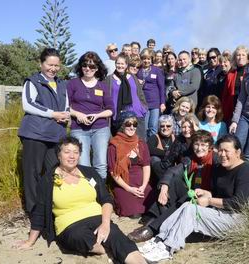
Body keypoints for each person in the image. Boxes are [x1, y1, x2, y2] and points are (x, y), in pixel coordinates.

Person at [14, 137, 146, 264]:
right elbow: (39, 212)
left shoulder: (89, 173)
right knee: (82, 238)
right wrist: (30, 241)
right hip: (70, 225)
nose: (72, 156)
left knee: (118, 239)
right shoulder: (48, 179)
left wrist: (105, 224)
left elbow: (106, 199)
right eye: (67, 152)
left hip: (97, 218)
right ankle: (106, 250)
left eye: (76, 152)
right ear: (58, 155)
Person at [140, 134, 249, 262]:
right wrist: (207, 193)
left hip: (239, 219)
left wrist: (209, 200)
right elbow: (220, 193)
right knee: (187, 206)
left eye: (227, 151)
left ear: (238, 152)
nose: (223, 154)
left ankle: (168, 247)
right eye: (221, 150)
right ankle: (160, 239)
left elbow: (240, 203)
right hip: (221, 213)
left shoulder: (245, 170)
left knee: (192, 210)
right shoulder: (221, 169)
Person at [128, 129, 215, 243]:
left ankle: (152, 227)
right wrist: (164, 186)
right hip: (193, 194)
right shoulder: (191, 159)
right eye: (196, 144)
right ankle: (156, 218)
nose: (199, 148)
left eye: (203, 145)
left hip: (207, 200)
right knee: (172, 182)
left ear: (210, 147)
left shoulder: (215, 160)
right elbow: (173, 171)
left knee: (187, 197)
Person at [18, 48, 70, 214]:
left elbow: (67, 105)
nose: (53, 68)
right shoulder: (32, 81)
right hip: (35, 134)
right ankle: (34, 212)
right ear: (41, 64)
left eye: (56, 65)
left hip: (56, 135)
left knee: (54, 172)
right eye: (50, 64)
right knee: (32, 173)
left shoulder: (62, 84)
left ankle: (51, 208)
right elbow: (28, 104)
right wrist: (53, 114)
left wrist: (65, 115)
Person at [67, 51, 113, 179]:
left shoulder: (102, 86)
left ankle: (100, 194)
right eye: (85, 65)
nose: (88, 68)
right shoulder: (72, 84)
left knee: (101, 164)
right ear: (81, 66)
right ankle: (88, 195)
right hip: (79, 130)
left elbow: (110, 110)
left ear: (97, 68)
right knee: (84, 164)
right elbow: (65, 107)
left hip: (101, 129)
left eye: (92, 66)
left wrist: (96, 116)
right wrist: (77, 114)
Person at [107, 111, 155, 218]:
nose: (132, 127)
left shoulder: (141, 143)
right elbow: (113, 172)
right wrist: (129, 189)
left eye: (135, 124)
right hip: (123, 184)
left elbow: (146, 165)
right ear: (122, 126)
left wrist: (143, 185)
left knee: (151, 208)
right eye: (128, 124)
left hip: (141, 182)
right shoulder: (114, 145)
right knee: (134, 214)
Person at [105, 54, 148, 139]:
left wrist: (143, 107)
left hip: (137, 114)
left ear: (126, 65)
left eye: (122, 64)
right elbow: (106, 96)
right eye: (118, 63)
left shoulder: (132, 77)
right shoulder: (109, 79)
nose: (120, 66)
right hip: (118, 116)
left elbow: (140, 93)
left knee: (140, 142)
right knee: (120, 143)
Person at [137, 48, 166, 138]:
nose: (146, 61)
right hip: (143, 103)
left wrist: (162, 103)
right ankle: (144, 148)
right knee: (144, 128)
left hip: (155, 103)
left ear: (152, 59)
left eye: (148, 58)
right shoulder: (138, 70)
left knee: (153, 127)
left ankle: (151, 148)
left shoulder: (157, 70)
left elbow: (162, 87)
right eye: (144, 58)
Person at [221, 45, 249, 122]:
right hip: (231, 110)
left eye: (243, 55)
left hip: (246, 111)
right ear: (235, 58)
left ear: (248, 57)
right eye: (238, 55)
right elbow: (225, 95)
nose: (240, 57)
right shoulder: (230, 74)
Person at [147, 115, 176, 184]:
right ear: (159, 127)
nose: (165, 128)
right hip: (158, 170)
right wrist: (167, 153)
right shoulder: (154, 137)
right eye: (162, 126)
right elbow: (150, 149)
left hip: (171, 167)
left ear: (172, 127)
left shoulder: (175, 138)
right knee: (154, 158)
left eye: (168, 126)